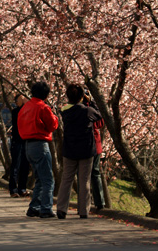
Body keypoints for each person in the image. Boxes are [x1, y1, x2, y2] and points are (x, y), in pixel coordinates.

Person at [56, 84, 102, 219]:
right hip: (86, 150)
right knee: (84, 181)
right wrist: (91, 100)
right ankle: (83, 211)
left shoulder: (64, 111)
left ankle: (61, 209)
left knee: (66, 179)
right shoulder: (87, 111)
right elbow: (99, 116)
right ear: (82, 97)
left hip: (69, 149)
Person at [17, 81, 59, 218]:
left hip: (27, 145)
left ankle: (34, 207)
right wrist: (55, 116)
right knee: (48, 179)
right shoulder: (43, 107)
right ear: (46, 95)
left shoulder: (25, 107)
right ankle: (46, 208)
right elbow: (52, 125)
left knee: (40, 178)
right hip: (40, 144)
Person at [8, 94, 30, 198]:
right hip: (17, 141)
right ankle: (13, 189)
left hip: (26, 141)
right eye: (21, 99)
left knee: (25, 166)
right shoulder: (16, 111)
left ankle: (22, 188)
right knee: (15, 165)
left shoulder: (27, 109)